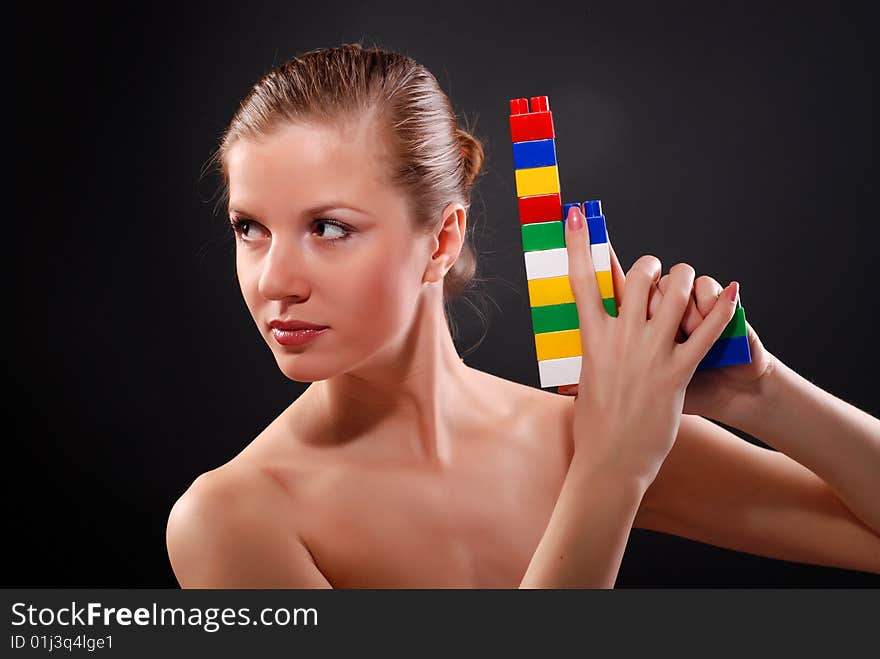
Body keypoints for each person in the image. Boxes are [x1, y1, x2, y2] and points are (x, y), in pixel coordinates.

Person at [166, 43, 880, 588]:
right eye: (249, 227)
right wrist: (611, 475)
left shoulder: (580, 436)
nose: (274, 280)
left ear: (442, 239)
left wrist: (762, 393)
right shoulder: (234, 518)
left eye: (327, 227)